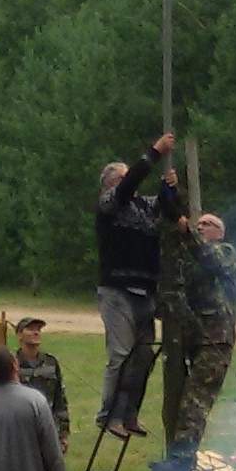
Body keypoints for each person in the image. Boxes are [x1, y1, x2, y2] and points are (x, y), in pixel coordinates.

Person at [94, 132, 177, 433]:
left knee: (143, 356)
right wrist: (155, 152)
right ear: (111, 183)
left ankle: (130, 414)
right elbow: (129, 185)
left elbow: (170, 209)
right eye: (123, 178)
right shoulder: (108, 203)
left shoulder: (144, 206)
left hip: (146, 291)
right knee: (120, 354)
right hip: (117, 289)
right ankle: (109, 416)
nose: (130, 181)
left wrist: (170, 187)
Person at [158, 179, 236, 466]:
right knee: (176, 398)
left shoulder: (226, 253)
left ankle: (182, 457)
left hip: (216, 337)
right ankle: (178, 453)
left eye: (207, 224)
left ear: (220, 232)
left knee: (196, 398)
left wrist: (186, 229)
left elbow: (208, 258)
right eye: (199, 223)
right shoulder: (190, 255)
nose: (201, 226)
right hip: (189, 335)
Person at [14, 317, 70, 448]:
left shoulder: (51, 362)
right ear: (20, 334)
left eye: (38, 330)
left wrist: (63, 433)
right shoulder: (13, 363)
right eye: (31, 329)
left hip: (48, 425)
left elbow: (59, 399)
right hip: (21, 429)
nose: (36, 333)